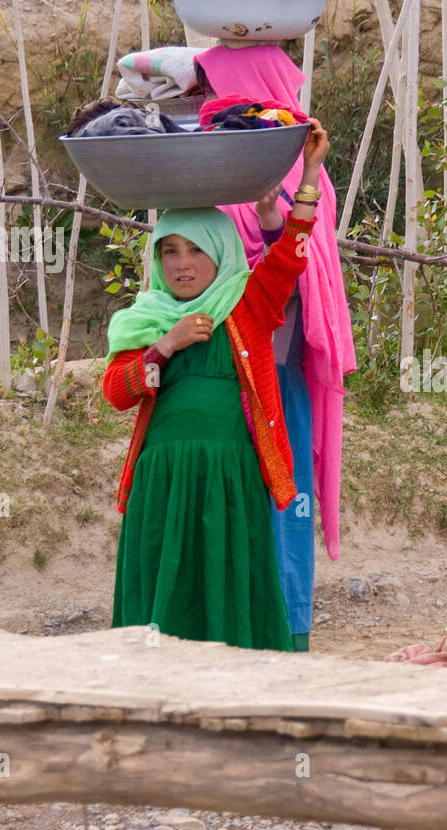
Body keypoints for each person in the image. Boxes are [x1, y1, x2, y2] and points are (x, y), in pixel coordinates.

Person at [102, 120, 329, 651]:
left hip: (231, 471)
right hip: (163, 477)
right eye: (170, 251)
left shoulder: (247, 304)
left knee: (228, 568)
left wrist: (310, 173)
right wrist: (166, 345)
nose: (182, 264)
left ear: (221, 252)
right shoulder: (146, 319)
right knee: (167, 573)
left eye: (196, 250)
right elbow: (116, 393)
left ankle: (235, 676)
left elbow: (291, 256)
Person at [195, 43, 358, 651]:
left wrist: (269, 228)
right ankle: (224, 626)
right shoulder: (214, 157)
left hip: (270, 363)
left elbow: (293, 276)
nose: (211, 100)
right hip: (210, 366)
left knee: (280, 495)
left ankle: (282, 629)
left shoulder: (288, 169)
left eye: (219, 85)